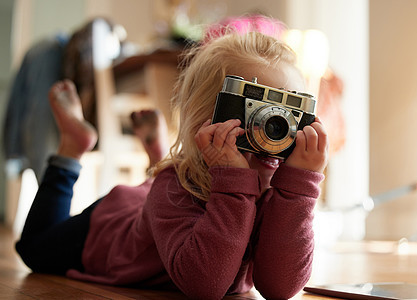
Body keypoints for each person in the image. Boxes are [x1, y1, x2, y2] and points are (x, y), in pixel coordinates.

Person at [15, 31, 328, 299]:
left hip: (159, 201)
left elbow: (280, 288)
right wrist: (233, 179)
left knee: (169, 180)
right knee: (35, 249)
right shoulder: (173, 185)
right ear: (203, 123)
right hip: (109, 229)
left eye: (287, 112)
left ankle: (157, 154)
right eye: (258, 112)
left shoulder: (280, 190)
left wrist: (299, 190)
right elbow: (205, 284)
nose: (275, 128)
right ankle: (73, 146)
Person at [3, 17, 125, 182]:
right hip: (53, 58)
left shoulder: (48, 51)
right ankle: (50, 184)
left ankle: (50, 187)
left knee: (44, 147)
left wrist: (13, 152)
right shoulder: (48, 54)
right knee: (44, 135)